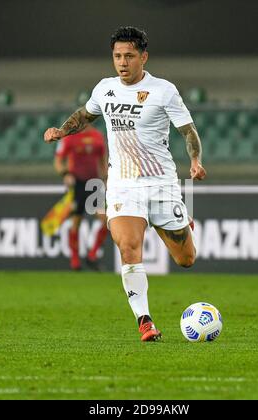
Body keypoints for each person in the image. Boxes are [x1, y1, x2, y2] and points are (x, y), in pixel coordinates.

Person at [44, 26, 206, 341]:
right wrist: (63, 131)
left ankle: (183, 222)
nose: (122, 62)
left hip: (161, 183)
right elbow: (85, 114)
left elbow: (188, 131)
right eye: (117, 56)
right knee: (129, 246)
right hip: (123, 184)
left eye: (129, 56)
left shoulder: (163, 90)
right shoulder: (105, 88)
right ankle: (145, 321)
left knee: (186, 259)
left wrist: (195, 161)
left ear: (143, 57)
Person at [54, 125, 108, 271]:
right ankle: (75, 261)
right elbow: (59, 160)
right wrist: (65, 174)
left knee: (106, 220)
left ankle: (92, 254)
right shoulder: (68, 137)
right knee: (76, 221)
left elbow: (103, 159)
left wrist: (106, 178)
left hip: (94, 183)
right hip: (77, 183)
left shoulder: (97, 135)